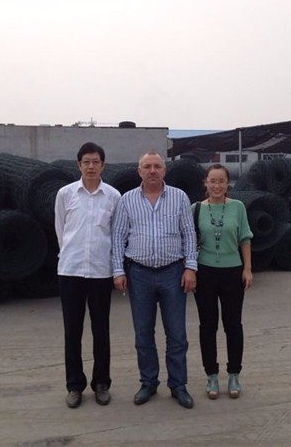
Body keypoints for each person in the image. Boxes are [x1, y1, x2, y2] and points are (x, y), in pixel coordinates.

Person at [111, 151, 198, 409]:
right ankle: (148, 382)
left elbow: (189, 235)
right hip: (139, 274)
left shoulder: (179, 198)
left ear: (164, 170)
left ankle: (178, 385)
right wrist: (118, 271)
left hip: (173, 272)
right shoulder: (127, 200)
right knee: (143, 334)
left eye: (157, 166)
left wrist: (190, 268)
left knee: (177, 334)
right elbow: (118, 237)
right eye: (147, 166)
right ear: (139, 171)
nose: (152, 170)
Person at [54, 142, 121, 409]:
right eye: (86, 161)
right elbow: (61, 230)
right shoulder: (65, 194)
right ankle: (74, 385)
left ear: (103, 165)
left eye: (96, 161)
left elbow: (116, 235)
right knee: (72, 330)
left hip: (100, 273)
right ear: (79, 165)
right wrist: (70, 254)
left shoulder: (113, 196)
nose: (91, 166)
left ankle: (101, 383)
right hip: (70, 270)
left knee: (100, 329)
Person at [192, 164, 253, 399]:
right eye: (212, 181)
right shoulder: (195, 209)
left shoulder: (238, 208)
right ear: (205, 183)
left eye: (221, 181)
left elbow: (245, 239)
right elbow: (187, 241)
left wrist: (247, 268)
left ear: (228, 184)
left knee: (233, 325)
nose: (217, 185)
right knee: (208, 326)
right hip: (204, 273)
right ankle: (211, 376)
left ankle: (234, 374)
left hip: (233, 273)